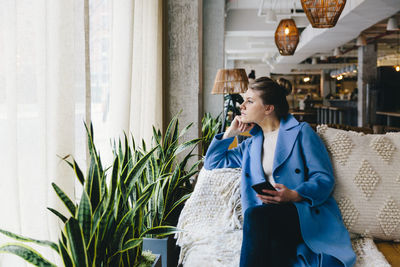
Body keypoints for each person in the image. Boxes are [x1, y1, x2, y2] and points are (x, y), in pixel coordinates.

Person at [204, 77, 356, 267]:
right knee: (273, 249)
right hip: (269, 219)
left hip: (301, 213)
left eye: (250, 101)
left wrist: (294, 194)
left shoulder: (301, 132)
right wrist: (229, 134)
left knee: (255, 215)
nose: (242, 106)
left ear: (268, 108)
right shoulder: (250, 145)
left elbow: (324, 178)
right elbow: (212, 162)